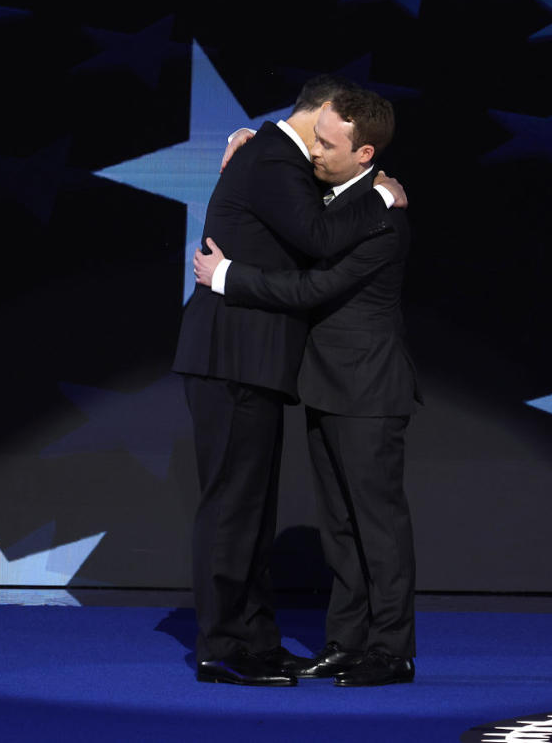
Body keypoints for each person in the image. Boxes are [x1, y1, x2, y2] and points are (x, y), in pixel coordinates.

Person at [171, 75, 407, 687]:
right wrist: (380, 197)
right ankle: (223, 645)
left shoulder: (274, 157)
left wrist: (244, 142)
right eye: (325, 136)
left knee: (251, 511)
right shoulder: (274, 156)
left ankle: (255, 640)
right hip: (232, 356)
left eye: (338, 145)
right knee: (231, 508)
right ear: (321, 112)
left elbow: (315, 235)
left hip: (261, 365)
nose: (324, 150)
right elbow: (319, 239)